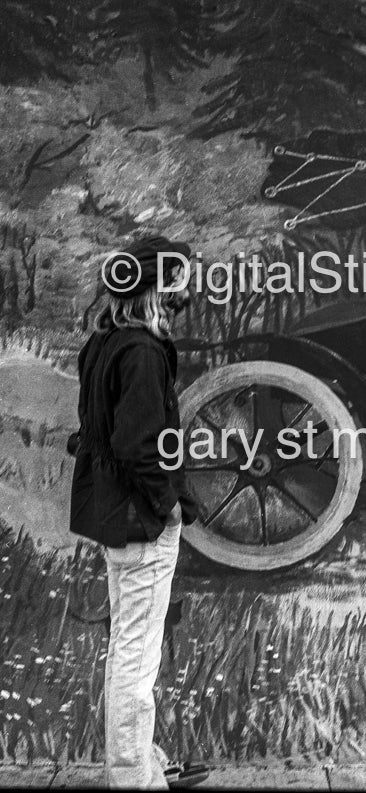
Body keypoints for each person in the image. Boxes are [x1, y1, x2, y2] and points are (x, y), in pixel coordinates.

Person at [69, 236, 197, 788]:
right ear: (155, 289)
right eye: (179, 281)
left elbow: (98, 430)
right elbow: (137, 443)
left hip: (112, 511)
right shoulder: (143, 351)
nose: (186, 291)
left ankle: (144, 762)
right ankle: (132, 779)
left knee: (128, 643)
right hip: (140, 517)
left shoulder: (105, 341)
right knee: (136, 659)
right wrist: (168, 508)